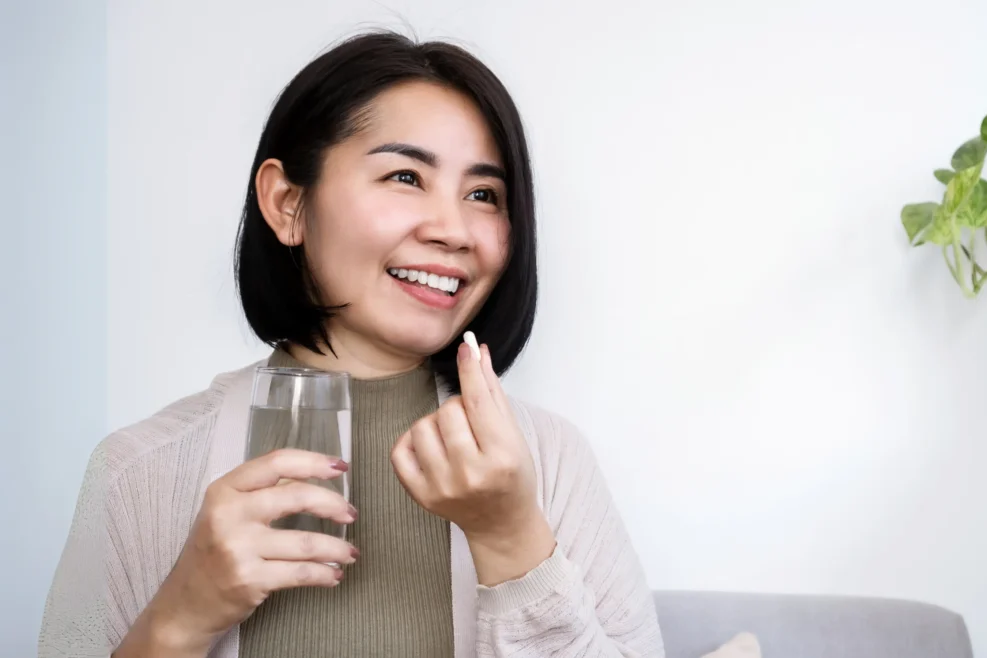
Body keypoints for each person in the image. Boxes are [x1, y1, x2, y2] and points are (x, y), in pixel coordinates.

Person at [38, 30, 664, 658]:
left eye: (483, 195)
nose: (453, 231)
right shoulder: (138, 473)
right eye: (405, 176)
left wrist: (512, 539)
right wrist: (180, 618)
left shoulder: (552, 463)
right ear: (287, 203)